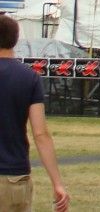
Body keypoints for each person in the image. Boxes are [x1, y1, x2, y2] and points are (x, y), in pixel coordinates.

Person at [0, 13, 69, 212]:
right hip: (14, 177)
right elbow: (40, 134)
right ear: (15, 40)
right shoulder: (29, 78)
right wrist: (57, 183)